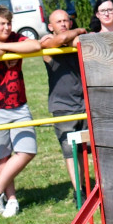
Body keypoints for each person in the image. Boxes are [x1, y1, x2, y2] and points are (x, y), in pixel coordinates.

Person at [0, 5, 42, 218]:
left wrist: (5, 46)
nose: (6, 27)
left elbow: (36, 45)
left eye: (9, 23)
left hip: (18, 105)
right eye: (2, 23)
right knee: (2, 158)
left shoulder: (17, 38)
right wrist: (3, 49)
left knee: (27, 150)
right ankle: (10, 199)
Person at [40, 10, 89, 191]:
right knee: (70, 152)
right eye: (58, 22)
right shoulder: (47, 42)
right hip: (62, 106)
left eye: (66, 21)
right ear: (50, 26)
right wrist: (78, 30)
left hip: (83, 102)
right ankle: (80, 192)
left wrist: (75, 35)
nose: (63, 24)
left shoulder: (75, 42)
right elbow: (59, 40)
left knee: (84, 148)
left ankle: (87, 186)